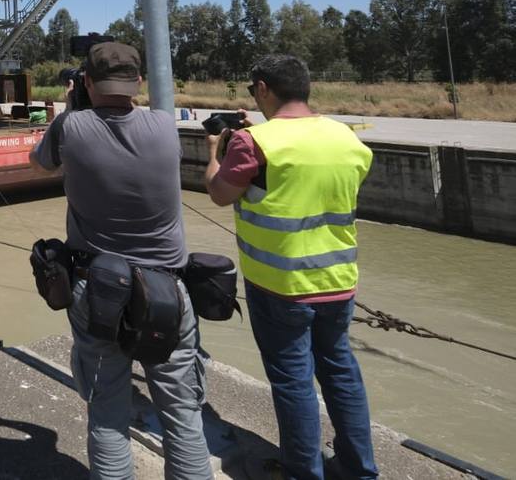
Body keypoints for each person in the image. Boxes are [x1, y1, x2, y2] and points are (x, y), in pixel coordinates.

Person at [31, 42, 211, 480]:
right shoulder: (165, 126)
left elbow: (39, 164)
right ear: (138, 82)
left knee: (108, 411)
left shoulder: (70, 127)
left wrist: (74, 107)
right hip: (168, 291)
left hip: (97, 289)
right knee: (182, 413)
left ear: (87, 82)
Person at [205, 54, 376, 480]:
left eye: (252, 90)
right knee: (341, 374)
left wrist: (215, 151)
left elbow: (220, 193)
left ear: (263, 88)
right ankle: (359, 470)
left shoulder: (254, 143)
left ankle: (304, 472)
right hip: (339, 282)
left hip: (279, 286)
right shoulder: (348, 139)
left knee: (294, 382)